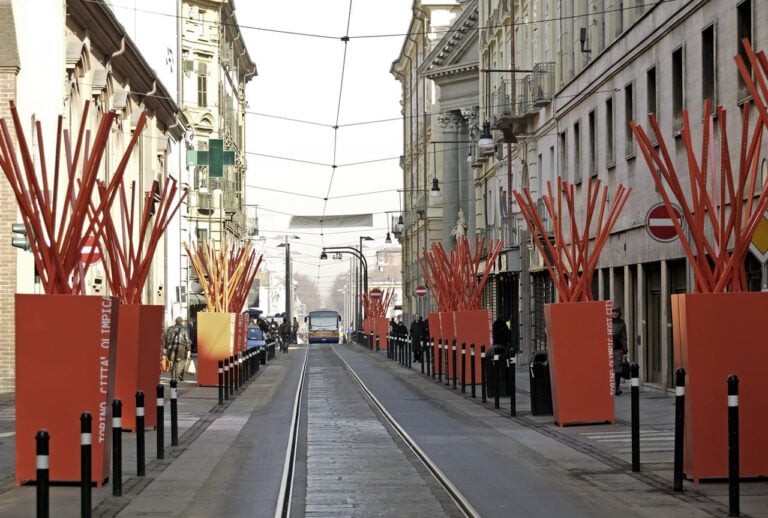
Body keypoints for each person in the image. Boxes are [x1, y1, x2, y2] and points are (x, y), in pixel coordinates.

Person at [163, 317, 191, 382]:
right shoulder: (184, 329)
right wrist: (189, 350)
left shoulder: (170, 328)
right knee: (181, 361)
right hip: (181, 346)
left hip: (171, 345)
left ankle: (173, 376)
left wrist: (165, 348)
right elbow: (187, 340)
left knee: (172, 361)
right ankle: (178, 375)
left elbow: (166, 338)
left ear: (175, 322)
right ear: (181, 322)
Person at [612, 303, 628, 395]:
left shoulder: (621, 323)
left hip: (617, 347)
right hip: (607, 347)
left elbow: (624, 337)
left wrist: (625, 350)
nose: (615, 313)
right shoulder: (606, 321)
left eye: (617, 312)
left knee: (618, 368)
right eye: (613, 311)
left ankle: (617, 387)